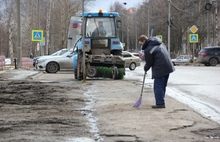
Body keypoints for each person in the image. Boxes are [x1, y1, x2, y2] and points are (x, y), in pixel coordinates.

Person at [138, 35, 175, 109]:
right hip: (168, 66)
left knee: (158, 86)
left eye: (141, 44)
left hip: (160, 68)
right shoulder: (159, 43)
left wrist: (145, 68)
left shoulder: (148, 49)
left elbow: (149, 62)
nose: (142, 46)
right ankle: (161, 101)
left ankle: (160, 103)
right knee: (162, 86)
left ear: (144, 41)